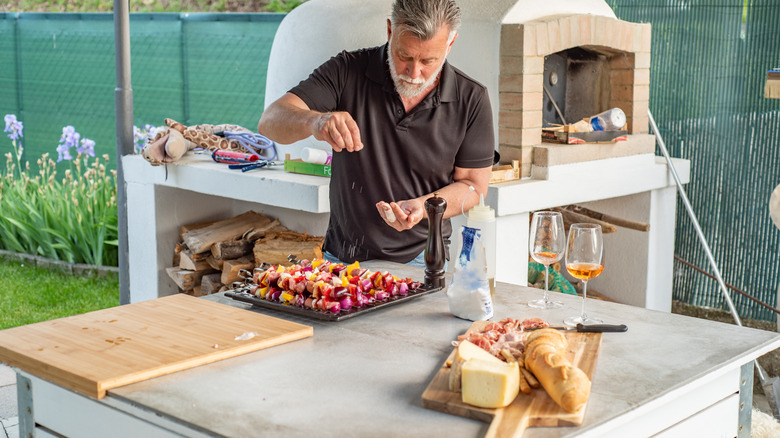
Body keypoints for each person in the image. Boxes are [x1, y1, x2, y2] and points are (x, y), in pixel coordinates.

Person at [257, 0, 495, 266]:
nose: (414, 74)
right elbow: (270, 121)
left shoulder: (472, 98)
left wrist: (423, 206)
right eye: (404, 56)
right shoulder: (347, 70)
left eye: (429, 61)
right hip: (343, 258)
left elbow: (473, 186)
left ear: (450, 44)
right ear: (390, 31)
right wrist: (315, 121)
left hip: (424, 258)